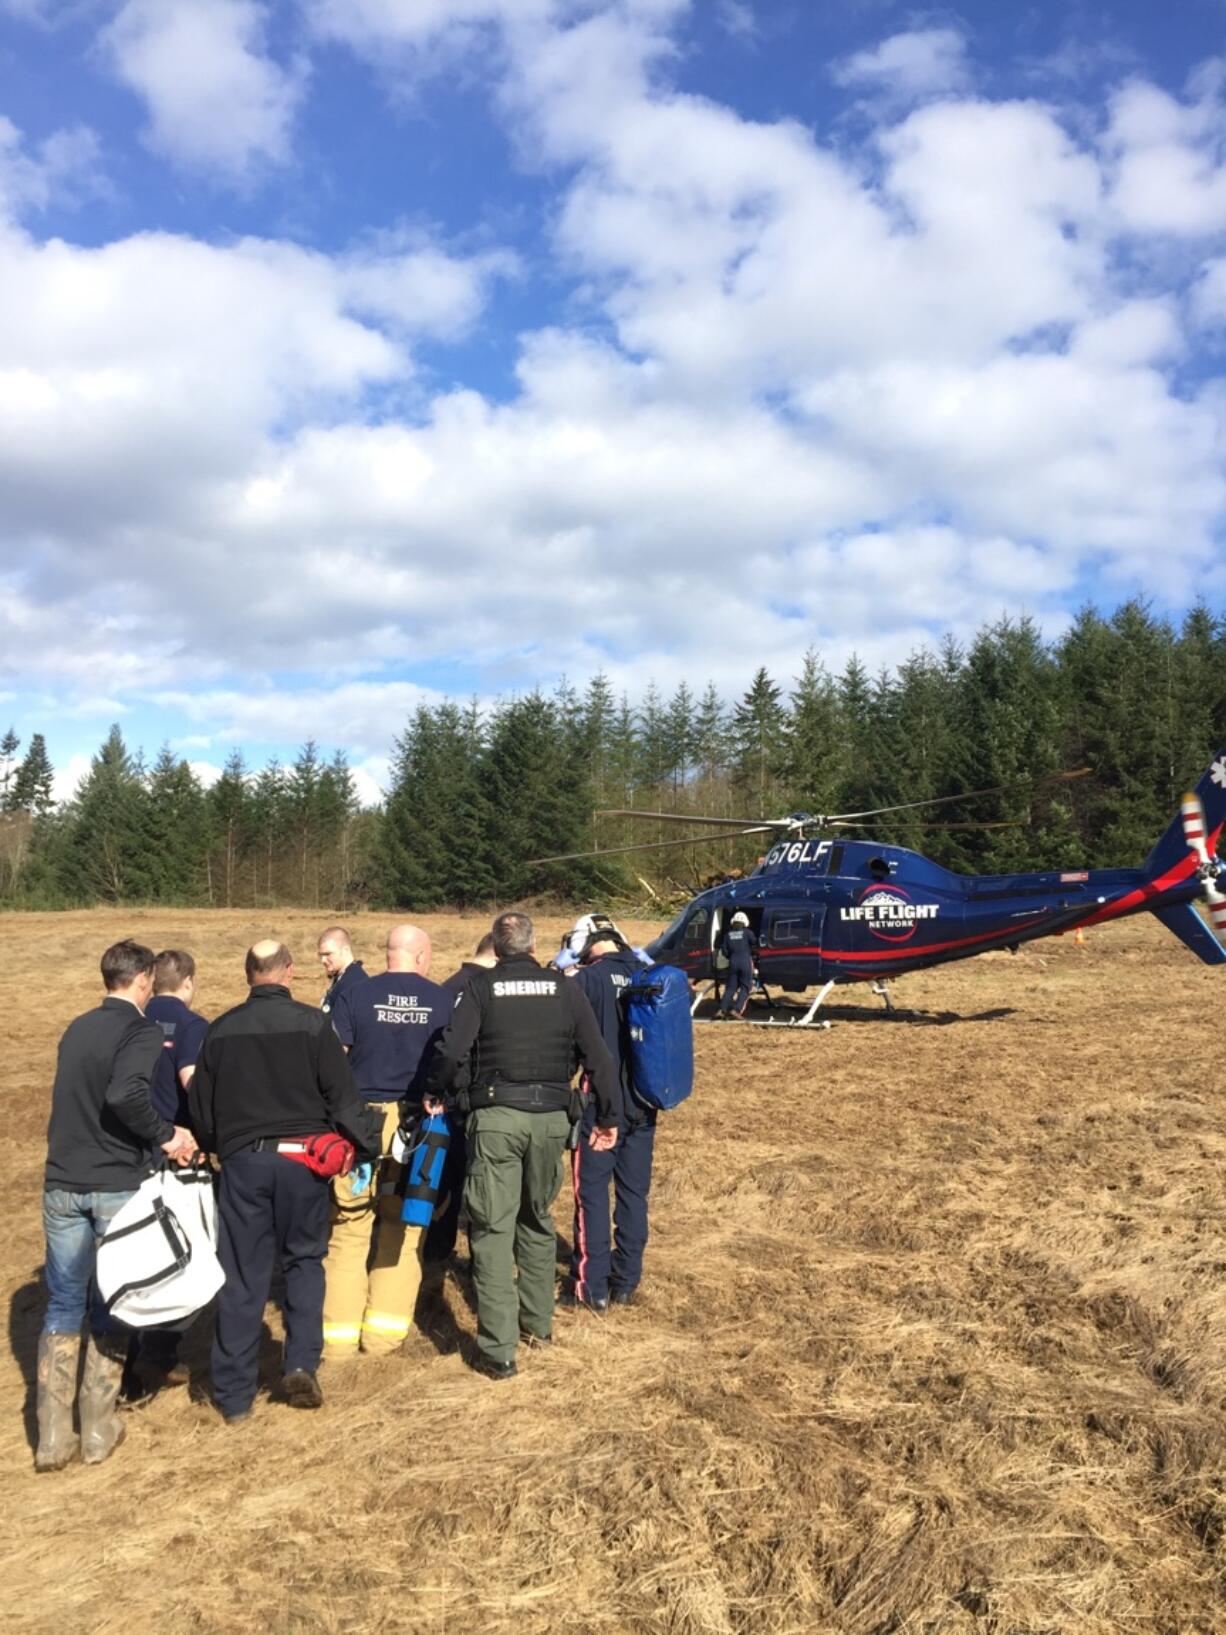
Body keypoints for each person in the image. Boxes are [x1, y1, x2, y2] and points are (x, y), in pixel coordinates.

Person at [188, 941, 381, 1423]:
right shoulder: (315, 1025)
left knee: (243, 1275)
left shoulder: (220, 1030)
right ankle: (299, 1363)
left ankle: (233, 1396)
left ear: (247, 973)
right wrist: (366, 1145)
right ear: (290, 972)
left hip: (244, 1165)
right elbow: (342, 1098)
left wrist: (222, 1145)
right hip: (303, 1166)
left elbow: (202, 1114)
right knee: (303, 1262)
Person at [426, 911, 620, 1380]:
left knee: (492, 1229)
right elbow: (599, 1056)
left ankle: (499, 1350)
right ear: (535, 948)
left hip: (495, 1118)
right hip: (552, 1120)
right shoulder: (566, 989)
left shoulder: (480, 989)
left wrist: (436, 1089)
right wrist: (610, 1116)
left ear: (496, 947)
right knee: (535, 1220)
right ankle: (538, 1326)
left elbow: (452, 1051)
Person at [38, 940, 197, 1471]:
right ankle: (99, 1427)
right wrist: (167, 1135)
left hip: (61, 1180)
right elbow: (125, 1096)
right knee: (114, 1299)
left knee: (62, 1303)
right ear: (146, 980)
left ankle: (53, 1438)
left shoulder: (76, 1027)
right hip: (113, 1185)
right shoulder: (141, 1030)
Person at [322, 924, 450, 1359]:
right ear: (419, 956)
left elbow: (332, 1062)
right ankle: (381, 1339)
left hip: (359, 1125)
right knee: (403, 1229)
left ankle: (336, 1342)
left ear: (388, 955)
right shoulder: (440, 1000)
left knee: (348, 1230)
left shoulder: (355, 995)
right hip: (415, 1129)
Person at [561, 916, 657, 1312]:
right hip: (645, 1101)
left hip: (601, 1102)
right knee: (634, 1194)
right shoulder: (647, 975)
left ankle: (593, 1286)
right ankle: (627, 1280)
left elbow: (568, 1046)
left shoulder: (587, 981)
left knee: (592, 1194)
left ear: (586, 943)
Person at [127, 948, 211, 1395]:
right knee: (184, 1255)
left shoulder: (132, 1022)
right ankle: (156, 1355)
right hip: (177, 1155)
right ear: (188, 983)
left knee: (139, 1254)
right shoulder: (192, 1027)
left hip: (129, 1154)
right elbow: (193, 1085)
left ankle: (129, 1356)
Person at [428, 931, 498, 1265]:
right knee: (476, 1181)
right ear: (497, 955)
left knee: (442, 1179)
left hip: (442, 1101)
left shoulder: (446, 987)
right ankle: (477, 1257)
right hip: (474, 1100)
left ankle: (435, 1249)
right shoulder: (487, 990)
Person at [317, 925, 365, 1016]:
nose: (323, 960)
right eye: (321, 955)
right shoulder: (342, 977)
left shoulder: (355, 984)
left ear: (345, 951)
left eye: (328, 954)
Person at [719, 911, 758, 1019]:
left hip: (732, 962)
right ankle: (736, 1010)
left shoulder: (728, 935)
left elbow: (724, 951)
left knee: (730, 988)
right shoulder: (748, 933)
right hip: (745, 962)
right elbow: (755, 944)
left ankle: (722, 1009)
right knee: (745, 987)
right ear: (745, 922)